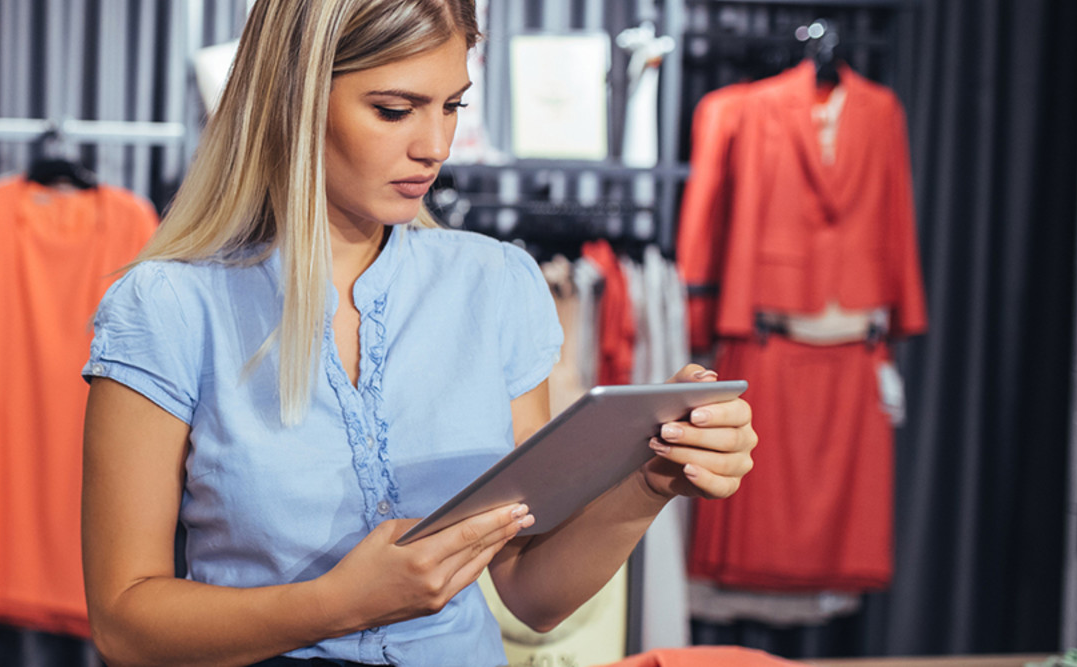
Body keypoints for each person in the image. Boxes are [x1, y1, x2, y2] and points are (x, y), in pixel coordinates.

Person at [79, 0, 759, 665]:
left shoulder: (496, 284)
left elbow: (529, 590)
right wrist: (338, 603)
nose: (435, 147)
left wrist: (650, 480)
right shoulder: (166, 305)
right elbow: (125, 627)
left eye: (452, 105)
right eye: (395, 110)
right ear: (295, 99)